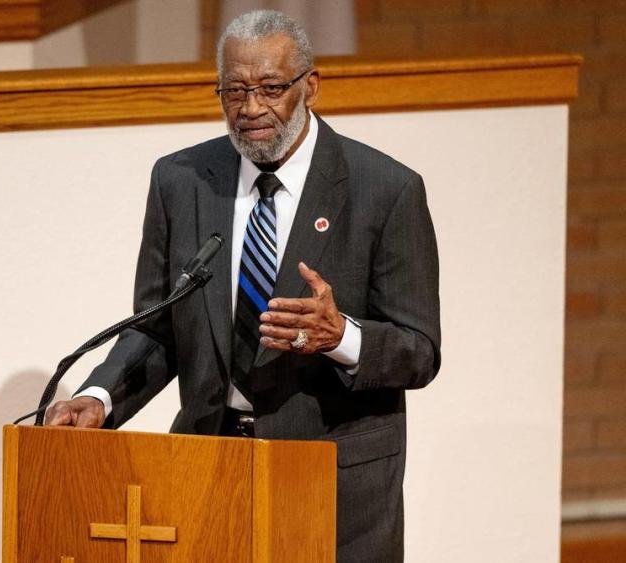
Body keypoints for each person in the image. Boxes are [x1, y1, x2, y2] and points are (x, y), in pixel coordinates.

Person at [46, 9, 440, 562]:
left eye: (271, 89)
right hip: (210, 467)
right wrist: (100, 396)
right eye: (234, 91)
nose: (251, 109)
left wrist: (341, 337)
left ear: (311, 85)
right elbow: (159, 326)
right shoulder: (181, 181)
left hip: (333, 484)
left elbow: (419, 351)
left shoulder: (386, 190)